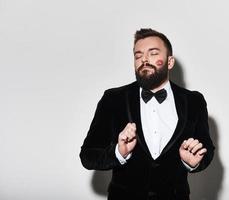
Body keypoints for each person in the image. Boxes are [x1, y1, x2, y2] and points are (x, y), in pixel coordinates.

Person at [80, 28, 215, 200]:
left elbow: (207, 149)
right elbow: (88, 156)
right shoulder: (113, 99)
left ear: (170, 61)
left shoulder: (194, 101)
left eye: (153, 53)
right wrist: (118, 153)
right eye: (138, 56)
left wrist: (192, 163)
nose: (144, 59)